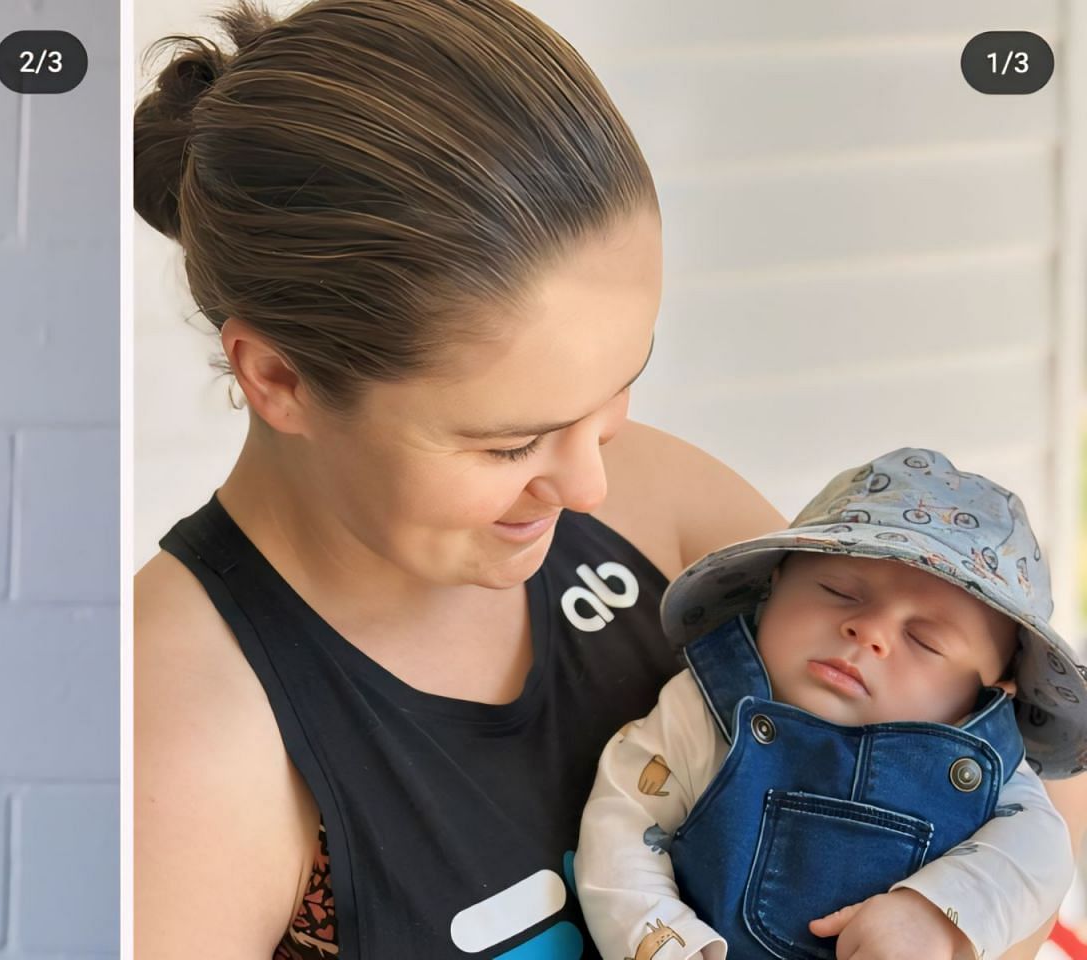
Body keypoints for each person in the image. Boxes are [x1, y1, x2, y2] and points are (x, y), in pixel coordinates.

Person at [130, 2, 1085, 958]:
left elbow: (1037, 795)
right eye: (512, 444)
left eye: (620, 391)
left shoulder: (655, 502)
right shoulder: (177, 731)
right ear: (278, 379)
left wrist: (957, 920)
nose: (590, 482)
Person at [576, 448, 1082, 960]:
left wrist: (936, 915)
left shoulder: (982, 766)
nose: (869, 632)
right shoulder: (705, 709)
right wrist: (669, 943)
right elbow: (622, 823)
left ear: (990, 691)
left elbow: (1039, 852)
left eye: (926, 640)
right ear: (773, 587)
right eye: (838, 591)